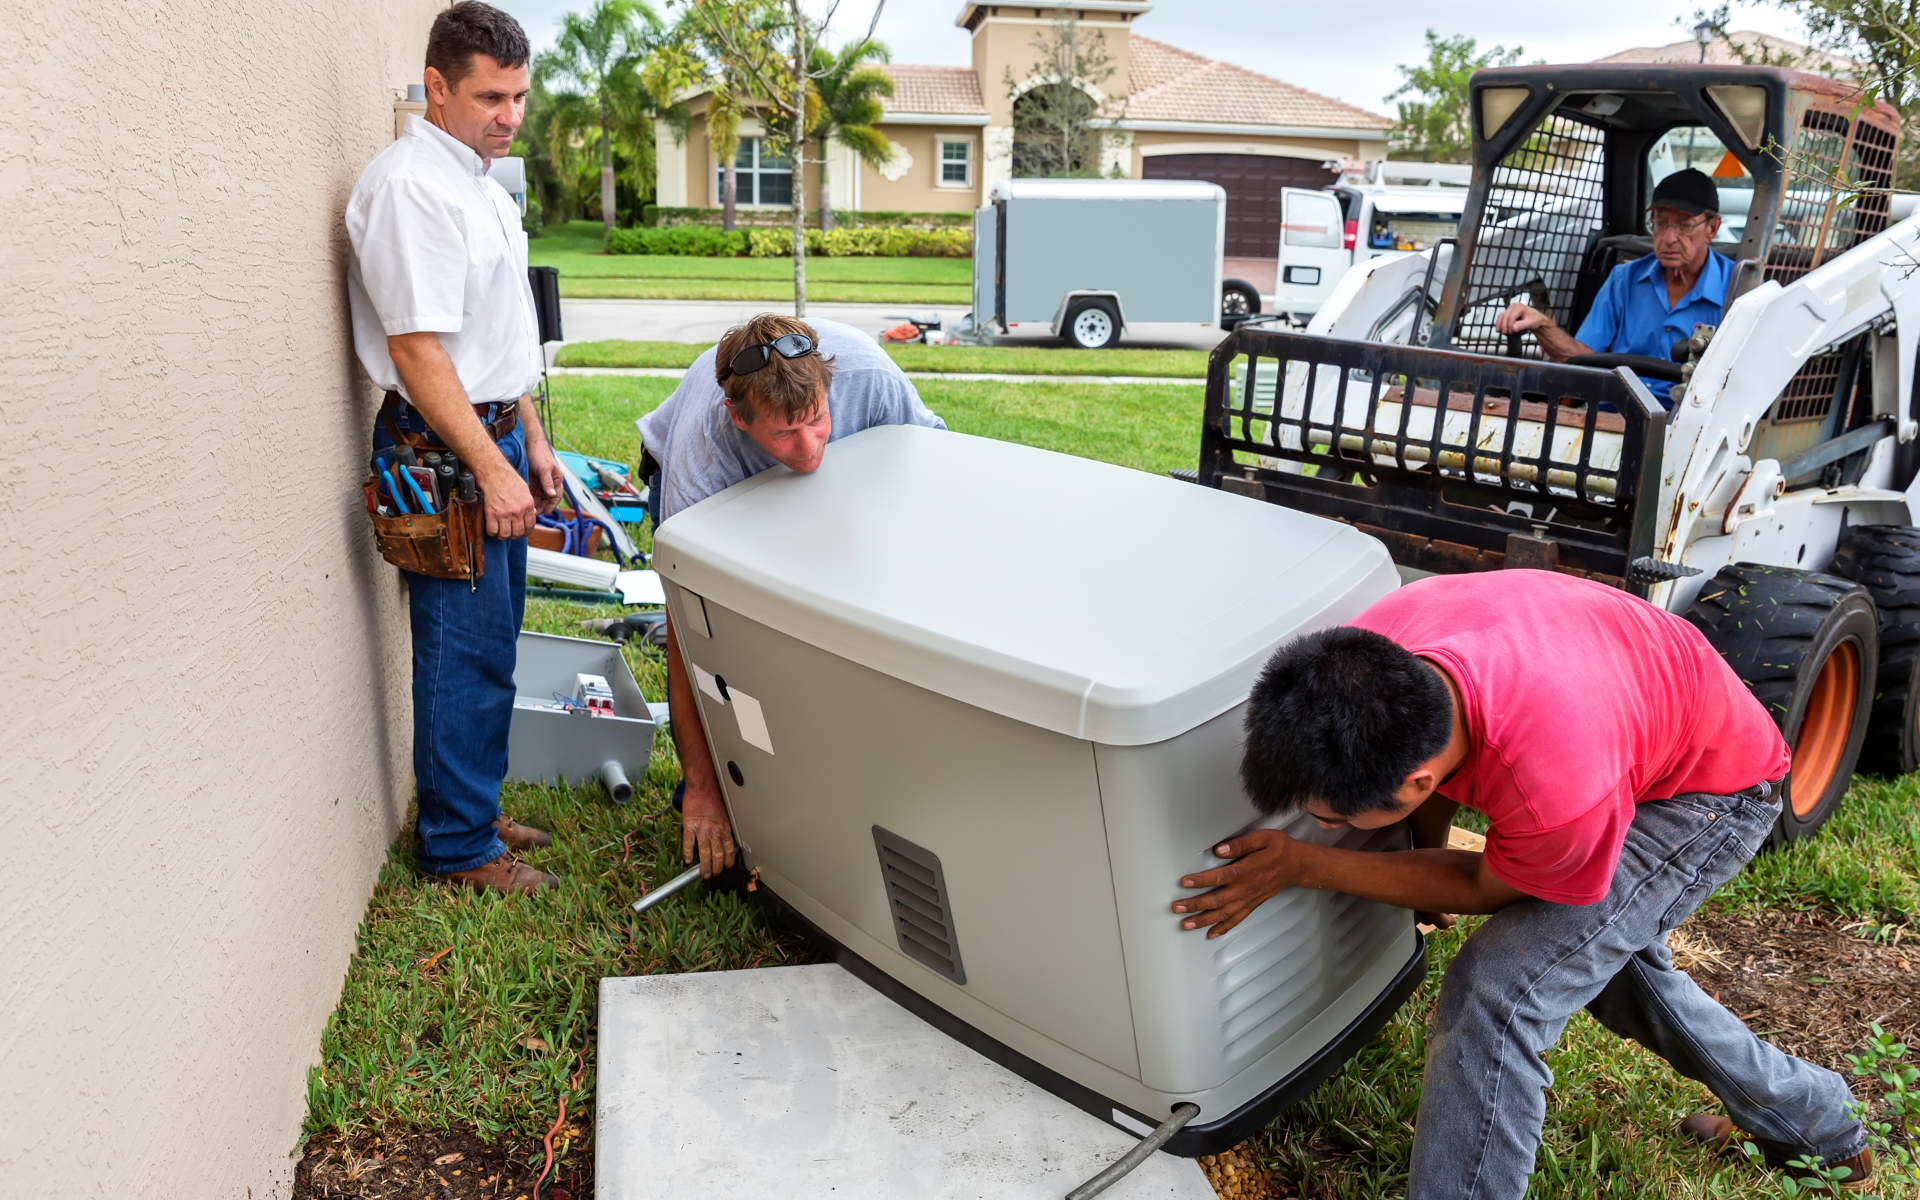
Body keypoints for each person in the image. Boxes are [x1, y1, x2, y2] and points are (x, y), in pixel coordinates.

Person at [1170, 570, 1873, 1197]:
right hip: (1634, 713)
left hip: (1714, 791)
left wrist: (1307, 865)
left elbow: (1485, 890)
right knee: (1603, 964)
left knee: (1502, 990)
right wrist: (1422, 850)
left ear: (1414, 782)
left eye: (1328, 816)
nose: (1318, 827)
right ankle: (1816, 1118)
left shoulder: (1554, 788)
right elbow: (1437, 777)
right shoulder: (1376, 654)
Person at [345, 2, 565, 895]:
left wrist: (534, 442)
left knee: (495, 641)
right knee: (460, 646)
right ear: (437, 87)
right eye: (489, 96)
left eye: (518, 96)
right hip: (442, 444)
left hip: (493, 432)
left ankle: (470, 804)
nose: (509, 115)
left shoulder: (476, 179)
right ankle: (458, 847)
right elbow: (418, 352)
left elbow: (496, 338)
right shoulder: (411, 189)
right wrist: (489, 462)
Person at [637, 315, 947, 878]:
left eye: (817, 421)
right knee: (738, 640)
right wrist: (703, 792)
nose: (807, 449)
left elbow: (929, 486)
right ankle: (716, 797)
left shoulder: (871, 376)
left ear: (831, 390)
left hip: (846, 480)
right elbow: (687, 631)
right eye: (784, 433)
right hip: (722, 495)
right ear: (738, 417)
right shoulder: (702, 456)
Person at [1494, 167, 1732, 406]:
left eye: (1684, 225)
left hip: (1692, 425)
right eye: (1660, 224)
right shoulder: (1624, 279)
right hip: (1615, 413)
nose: (1669, 238)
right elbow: (1582, 358)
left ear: (1711, 229)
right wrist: (1543, 325)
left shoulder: (1738, 289)